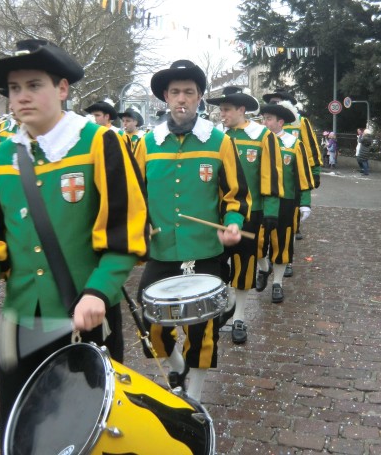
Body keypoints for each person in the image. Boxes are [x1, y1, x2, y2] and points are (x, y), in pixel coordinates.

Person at [0, 39, 148, 440]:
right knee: (23, 430)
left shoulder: (99, 143)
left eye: (34, 85)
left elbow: (126, 230)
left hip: (87, 314)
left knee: (89, 432)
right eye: (14, 89)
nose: (21, 97)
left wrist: (99, 290)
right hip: (20, 322)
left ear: (62, 89)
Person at [133, 60, 250, 401]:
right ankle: (176, 364)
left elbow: (236, 195)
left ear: (199, 98)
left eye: (188, 92)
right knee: (152, 327)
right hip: (162, 250)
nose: (181, 98)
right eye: (174, 92)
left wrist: (233, 223)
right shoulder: (147, 144)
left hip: (205, 252)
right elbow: (135, 197)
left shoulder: (218, 142)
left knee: (204, 333)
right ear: (165, 98)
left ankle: (194, 399)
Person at [206, 86, 283, 344]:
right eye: (220, 110)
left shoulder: (262, 135)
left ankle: (239, 316)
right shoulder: (216, 136)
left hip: (252, 211)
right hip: (220, 213)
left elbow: (271, 173)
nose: (222, 114)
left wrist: (271, 210)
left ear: (241, 109)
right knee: (217, 265)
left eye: (226, 110)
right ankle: (225, 304)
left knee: (244, 263)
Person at [258, 99, 314, 304]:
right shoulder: (259, 141)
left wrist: (305, 202)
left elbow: (303, 175)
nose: (265, 123)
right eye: (264, 119)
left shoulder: (293, 144)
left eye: (269, 119)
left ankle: (277, 283)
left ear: (281, 122)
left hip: (286, 201)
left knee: (282, 244)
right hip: (260, 202)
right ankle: (264, 268)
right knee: (256, 242)